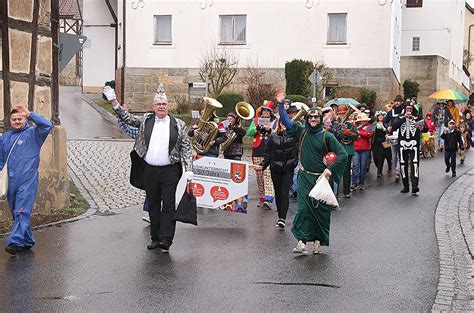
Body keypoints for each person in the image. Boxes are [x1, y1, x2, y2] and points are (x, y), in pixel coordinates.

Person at [103, 84, 193, 252]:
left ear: (168, 106)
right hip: (150, 171)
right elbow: (127, 118)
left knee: (168, 205)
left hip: (170, 171)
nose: (161, 107)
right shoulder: (146, 120)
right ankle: (155, 237)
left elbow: (186, 147)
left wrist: (189, 169)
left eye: (164, 104)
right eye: (158, 104)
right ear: (153, 107)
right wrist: (114, 101)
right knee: (152, 204)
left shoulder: (178, 124)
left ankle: (166, 239)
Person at [277, 91, 348, 255]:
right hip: (304, 177)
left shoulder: (327, 136)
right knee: (303, 210)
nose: (314, 119)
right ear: (307, 119)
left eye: (316, 117)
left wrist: (330, 170)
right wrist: (281, 105)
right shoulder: (302, 132)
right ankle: (301, 242)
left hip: (322, 180)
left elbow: (342, 154)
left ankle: (318, 240)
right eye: (311, 117)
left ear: (320, 119)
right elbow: (287, 122)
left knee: (320, 212)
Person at [2, 106, 52, 255]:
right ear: (10, 121)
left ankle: (15, 241)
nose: (17, 121)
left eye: (20, 119)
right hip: (10, 182)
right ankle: (27, 240)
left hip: (27, 179)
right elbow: (1, 160)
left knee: (21, 211)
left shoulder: (34, 134)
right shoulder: (5, 137)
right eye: (14, 119)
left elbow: (47, 125)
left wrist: (30, 114)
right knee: (16, 213)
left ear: (25, 120)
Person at [260, 107, 299, 229]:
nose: (282, 125)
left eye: (284, 123)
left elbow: (296, 152)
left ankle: (282, 218)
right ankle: (279, 217)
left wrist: (293, 164)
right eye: (280, 123)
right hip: (275, 168)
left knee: (284, 192)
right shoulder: (272, 136)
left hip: (288, 169)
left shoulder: (293, 136)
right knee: (278, 192)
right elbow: (268, 153)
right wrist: (262, 165)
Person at [113, 103, 150, 224]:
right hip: (148, 164)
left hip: (165, 166)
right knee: (152, 189)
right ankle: (151, 213)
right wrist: (121, 115)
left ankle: (161, 213)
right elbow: (127, 128)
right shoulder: (142, 131)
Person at [246, 101, 277, 209]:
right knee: (259, 177)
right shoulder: (255, 120)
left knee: (268, 175)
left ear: (271, 112)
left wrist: (270, 130)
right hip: (258, 151)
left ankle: (269, 199)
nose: (265, 113)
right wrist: (256, 128)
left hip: (270, 151)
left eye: (267, 111)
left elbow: (279, 133)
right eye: (264, 111)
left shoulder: (275, 121)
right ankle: (262, 197)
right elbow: (249, 133)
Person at [392, 104, 427, 193]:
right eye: (407, 109)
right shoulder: (400, 117)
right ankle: (405, 186)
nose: (409, 111)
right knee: (403, 164)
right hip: (402, 144)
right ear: (404, 110)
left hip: (414, 144)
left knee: (415, 164)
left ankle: (415, 186)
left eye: (410, 109)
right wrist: (403, 118)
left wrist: (422, 128)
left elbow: (426, 128)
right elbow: (394, 126)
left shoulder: (418, 117)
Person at [222, 111, 248, 212]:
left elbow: (243, 133)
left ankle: (239, 199)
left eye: (231, 118)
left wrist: (233, 127)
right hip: (227, 153)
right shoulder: (225, 128)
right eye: (228, 118)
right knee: (228, 175)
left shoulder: (238, 128)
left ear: (234, 119)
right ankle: (229, 196)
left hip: (236, 153)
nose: (229, 120)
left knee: (237, 175)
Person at [334, 105, 358, 198]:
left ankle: (346, 191)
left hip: (348, 150)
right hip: (338, 149)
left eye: (344, 114)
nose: (342, 116)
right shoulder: (335, 124)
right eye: (340, 114)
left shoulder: (350, 124)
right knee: (336, 171)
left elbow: (356, 136)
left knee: (346, 172)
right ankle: (335, 191)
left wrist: (349, 133)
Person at [385, 95, 404, 182]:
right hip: (393, 136)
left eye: (399, 101)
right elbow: (385, 122)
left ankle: (397, 171)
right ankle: (396, 169)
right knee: (394, 155)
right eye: (396, 101)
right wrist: (388, 126)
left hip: (402, 136)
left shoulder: (404, 111)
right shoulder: (391, 112)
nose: (397, 103)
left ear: (401, 102)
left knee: (401, 154)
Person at [352, 112, 373, 190]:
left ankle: (361, 183)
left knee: (363, 166)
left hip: (365, 149)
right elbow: (352, 134)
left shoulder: (370, 126)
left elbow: (369, 134)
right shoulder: (355, 126)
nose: (362, 122)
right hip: (355, 148)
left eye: (363, 120)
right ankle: (354, 183)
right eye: (361, 120)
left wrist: (359, 132)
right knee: (355, 166)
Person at [372, 111, 391, 178]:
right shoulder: (374, 124)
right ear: (377, 117)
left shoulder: (386, 124)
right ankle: (379, 168)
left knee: (381, 157)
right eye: (379, 116)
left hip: (384, 142)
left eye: (382, 116)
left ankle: (379, 171)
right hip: (375, 142)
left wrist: (389, 129)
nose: (380, 117)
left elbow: (389, 132)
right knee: (375, 158)